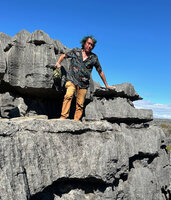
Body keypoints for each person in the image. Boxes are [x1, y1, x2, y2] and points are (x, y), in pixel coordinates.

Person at [54, 36, 115, 120]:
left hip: (83, 83)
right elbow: (63, 56)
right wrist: (58, 63)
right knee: (68, 95)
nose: (90, 46)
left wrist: (106, 85)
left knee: (80, 104)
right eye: (88, 43)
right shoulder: (76, 51)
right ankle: (63, 117)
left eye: (92, 45)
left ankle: (76, 121)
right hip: (71, 79)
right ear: (84, 43)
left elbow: (100, 71)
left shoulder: (94, 58)